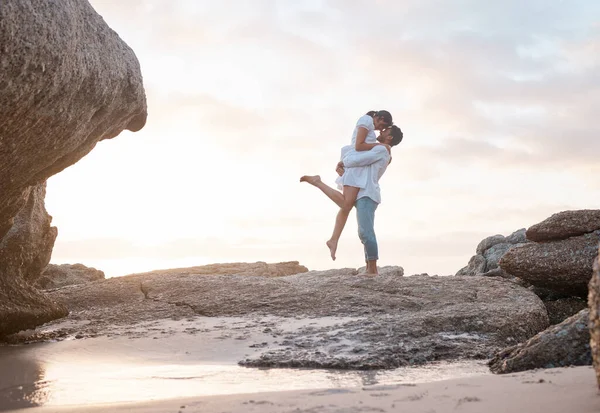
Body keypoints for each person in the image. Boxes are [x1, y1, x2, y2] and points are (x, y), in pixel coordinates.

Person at [301, 124, 403, 275]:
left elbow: (358, 160)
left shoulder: (382, 150)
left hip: (368, 193)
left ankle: (372, 268)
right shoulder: (376, 148)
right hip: (360, 189)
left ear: (390, 137)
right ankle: (365, 263)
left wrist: (344, 162)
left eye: (384, 130)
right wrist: (342, 168)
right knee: (349, 213)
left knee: (365, 231)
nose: (380, 131)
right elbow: (360, 164)